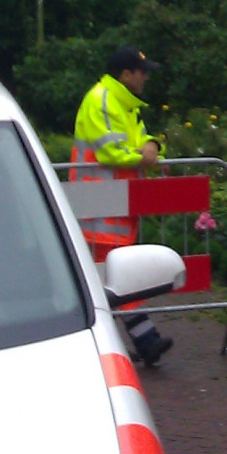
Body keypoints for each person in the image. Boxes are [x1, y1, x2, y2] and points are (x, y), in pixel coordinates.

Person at [73, 45, 173, 366]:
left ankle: (130, 344)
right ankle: (145, 341)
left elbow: (141, 143)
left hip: (113, 205)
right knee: (114, 279)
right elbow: (112, 152)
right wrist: (145, 156)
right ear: (126, 74)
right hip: (99, 205)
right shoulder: (102, 99)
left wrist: (154, 146)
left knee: (109, 279)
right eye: (142, 72)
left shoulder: (123, 104)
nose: (146, 78)